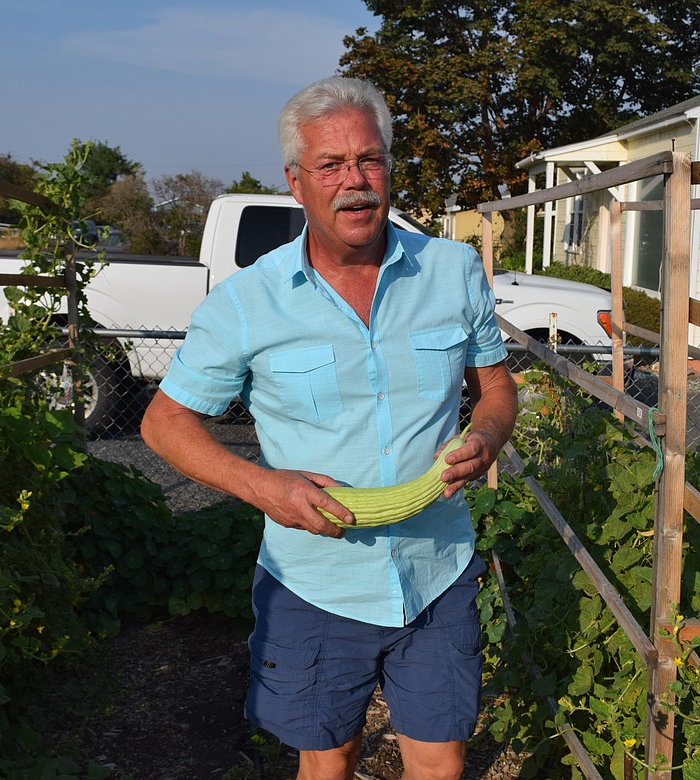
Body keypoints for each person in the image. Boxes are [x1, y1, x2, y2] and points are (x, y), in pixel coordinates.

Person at [141, 75, 518, 780]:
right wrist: (262, 486)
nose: (357, 182)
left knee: (440, 763)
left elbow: (495, 385)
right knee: (330, 760)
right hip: (314, 584)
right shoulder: (248, 303)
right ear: (296, 181)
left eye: (370, 160)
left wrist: (489, 435)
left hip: (437, 568)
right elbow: (164, 423)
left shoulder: (454, 270)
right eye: (332, 165)